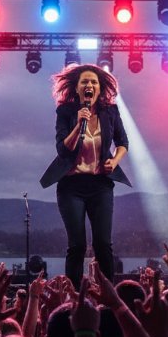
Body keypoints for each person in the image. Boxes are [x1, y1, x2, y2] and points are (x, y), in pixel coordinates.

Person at [39, 63, 131, 284]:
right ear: (77, 87)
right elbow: (63, 149)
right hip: (71, 186)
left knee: (102, 244)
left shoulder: (110, 111)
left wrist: (114, 160)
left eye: (93, 81)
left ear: (99, 87)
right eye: (84, 82)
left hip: (101, 184)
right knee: (77, 244)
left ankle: (109, 295)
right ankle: (73, 296)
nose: (89, 85)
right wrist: (79, 122)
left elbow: (123, 142)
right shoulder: (66, 111)